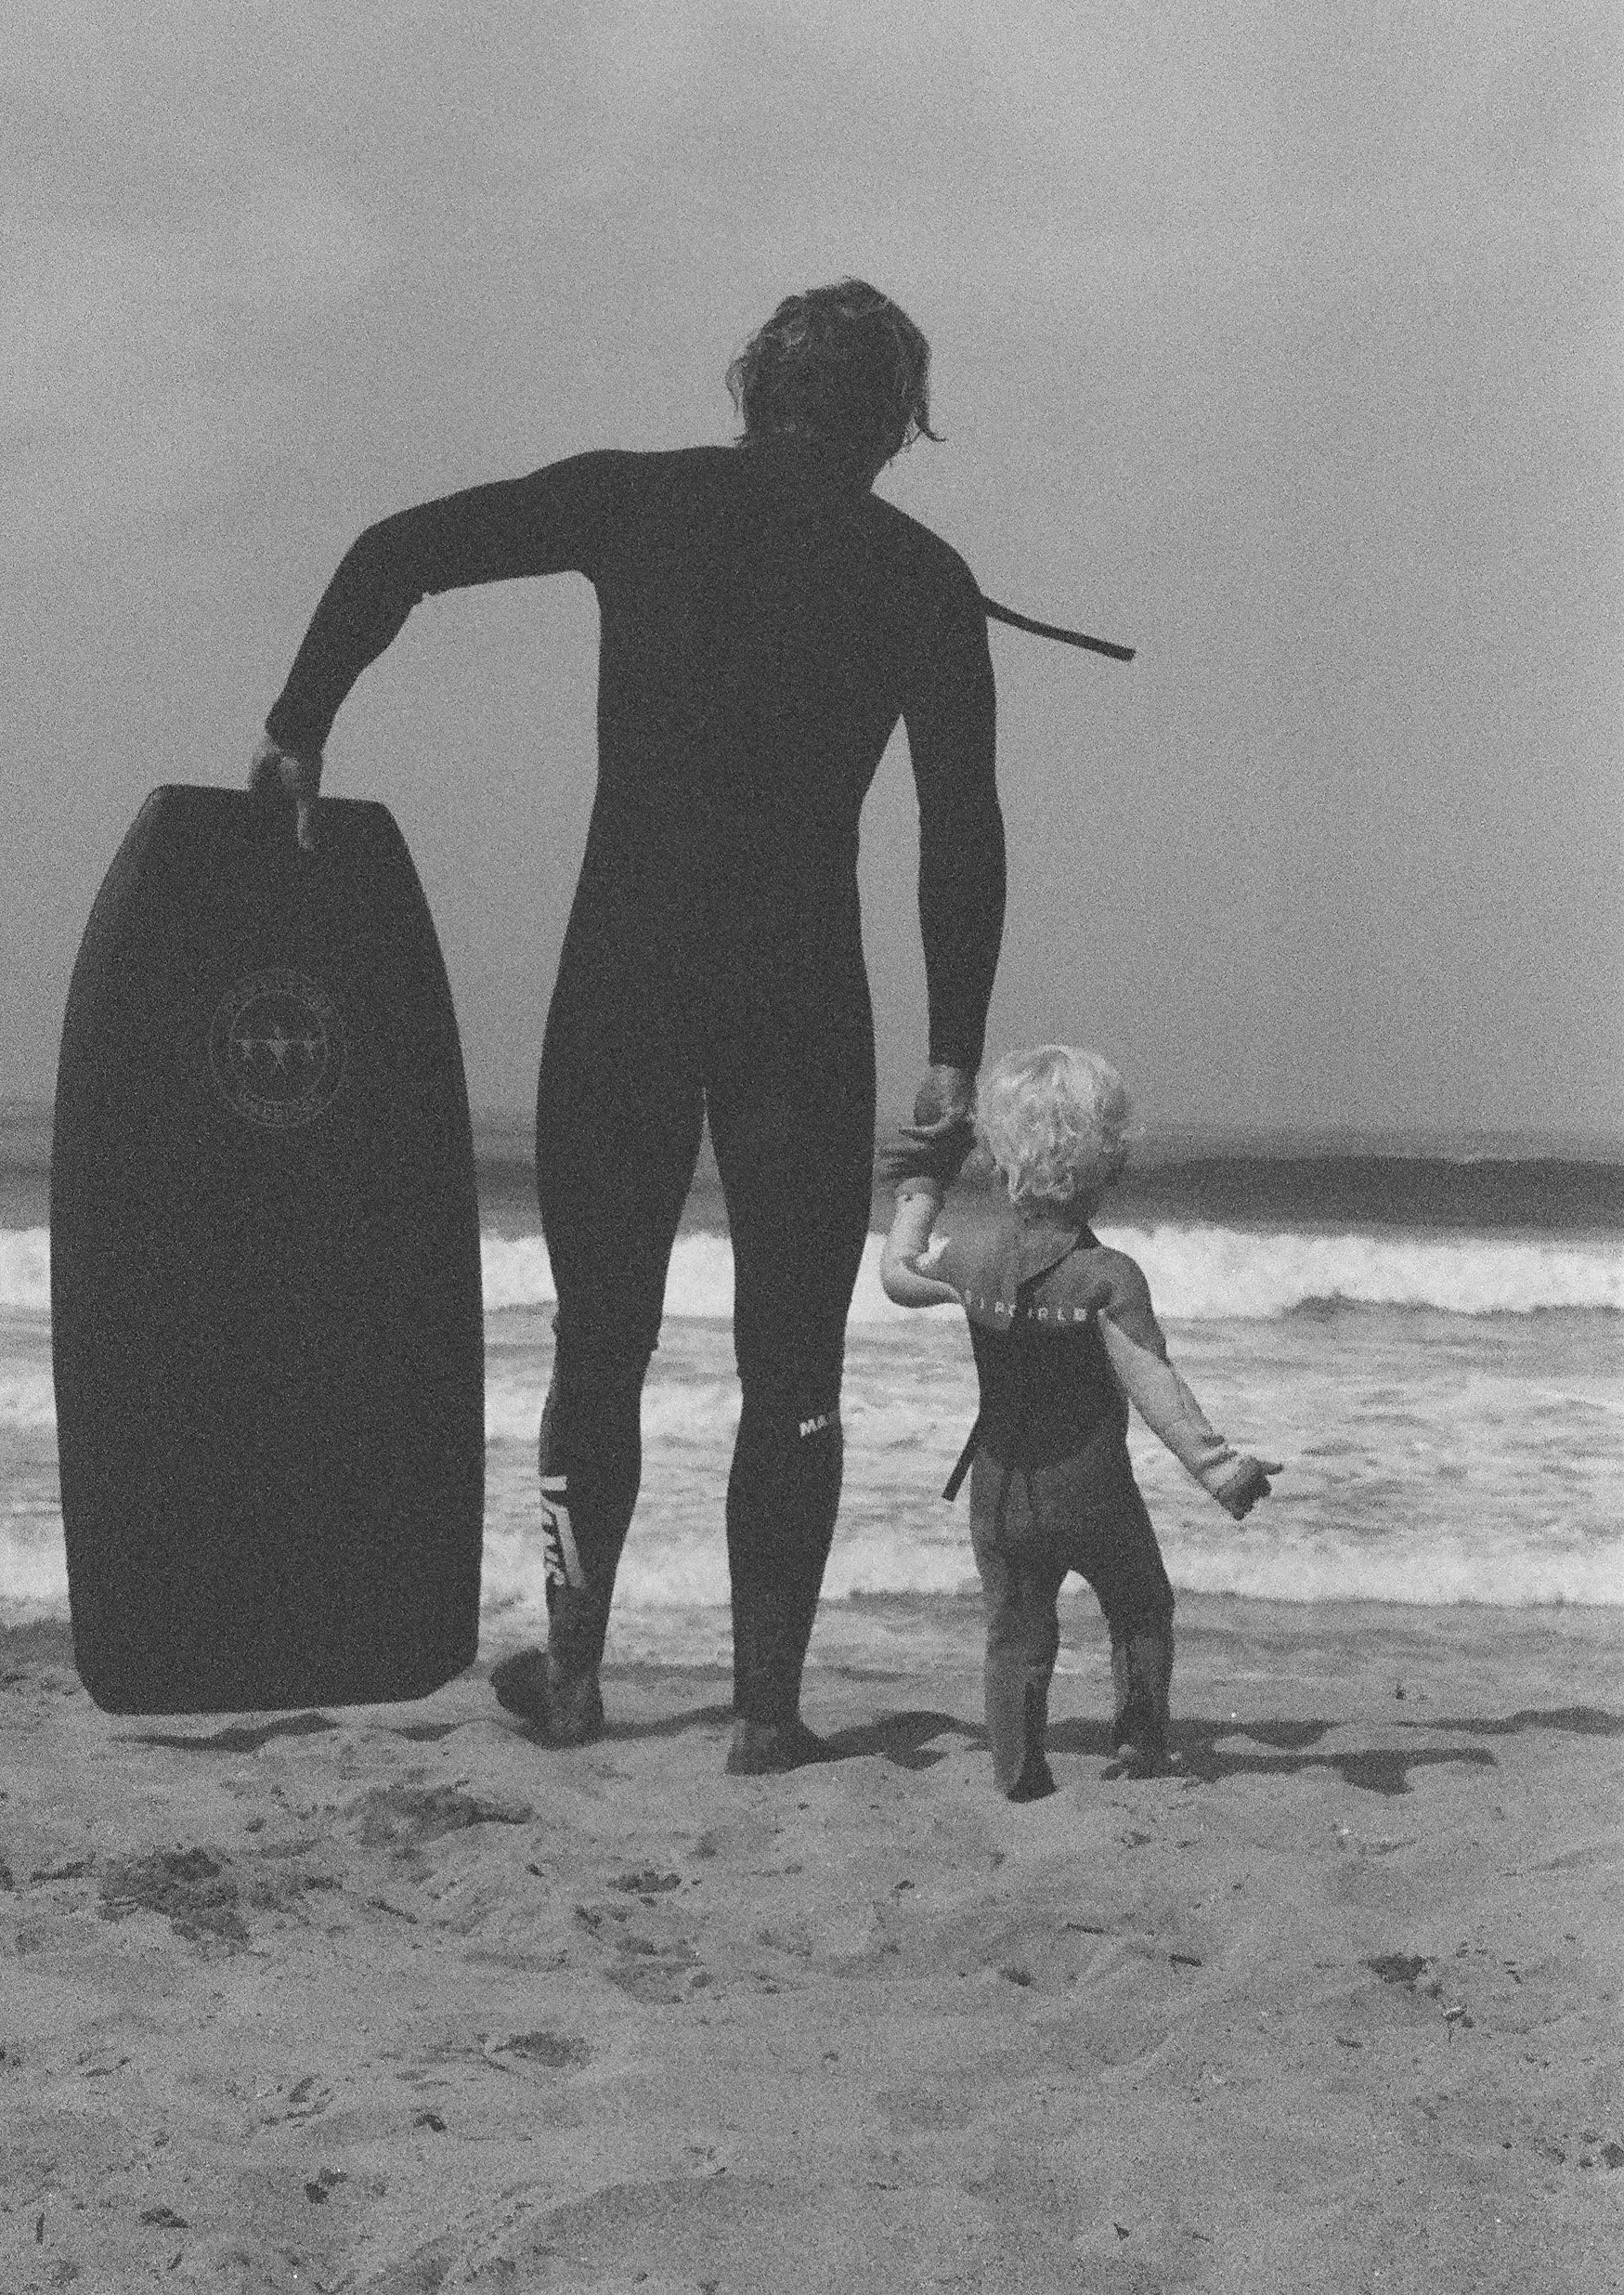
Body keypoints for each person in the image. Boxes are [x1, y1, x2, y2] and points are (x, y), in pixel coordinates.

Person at [251, 280, 1004, 1774]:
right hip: (804, 999)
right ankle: (771, 1711)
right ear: (892, 423)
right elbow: (958, 830)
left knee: (599, 1349)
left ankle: (579, 1677)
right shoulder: (922, 575)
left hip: (625, 985)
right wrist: (953, 1049)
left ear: (749, 391)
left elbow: (392, 553)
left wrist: (299, 722)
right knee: (797, 1371)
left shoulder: (635, 502)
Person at [879, 1044, 1280, 1795]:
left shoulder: (969, 1256)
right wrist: (1222, 1469)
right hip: (1091, 1487)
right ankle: (1137, 1744)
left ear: (1000, 1161)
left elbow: (898, 1276)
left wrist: (919, 1187)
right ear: (1106, 1166)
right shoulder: (1108, 1276)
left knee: (1016, 1631)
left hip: (999, 1489)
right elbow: (1153, 1381)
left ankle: (1019, 1768)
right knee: (1139, 1607)